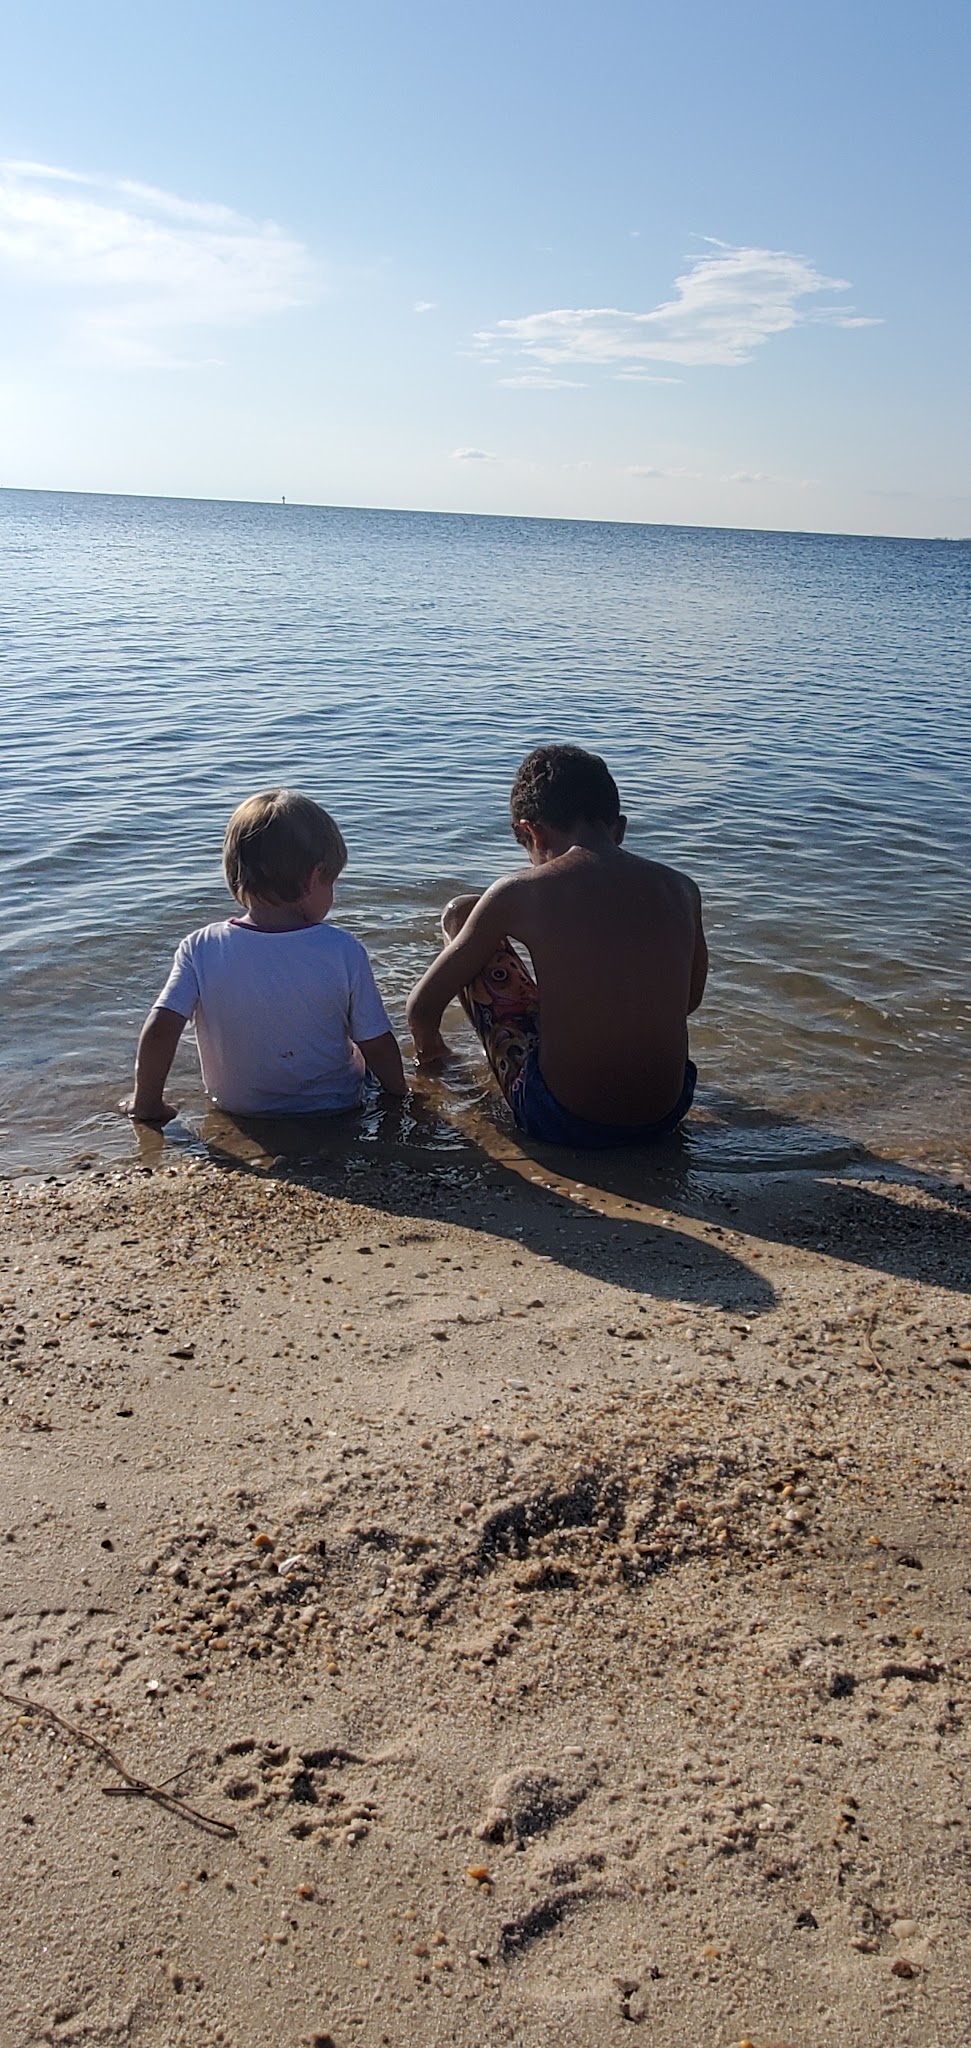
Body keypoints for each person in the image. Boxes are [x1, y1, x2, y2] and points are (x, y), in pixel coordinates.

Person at [406, 744, 706, 1147]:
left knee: (461, 914)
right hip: (666, 1114)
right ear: (618, 828)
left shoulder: (520, 892)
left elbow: (422, 1007)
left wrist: (433, 1058)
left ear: (532, 831)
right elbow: (687, 1000)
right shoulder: (682, 888)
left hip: (565, 1120)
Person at [123, 789, 406, 1123]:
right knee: (358, 1057)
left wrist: (147, 1105)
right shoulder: (341, 949)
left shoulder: (200, 946)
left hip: (237, 1109)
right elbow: (376, 1041)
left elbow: (161, 1029)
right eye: (332, 882)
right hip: (333, 1107)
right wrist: (400, 1093)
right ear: (315, 878)